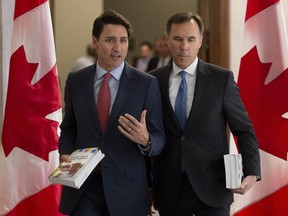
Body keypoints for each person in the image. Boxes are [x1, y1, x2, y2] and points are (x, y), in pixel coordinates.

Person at [149, 12, 261, 216]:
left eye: (191, 39)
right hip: (170, 189)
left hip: (213, 187)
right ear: (167, 40)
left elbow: (244, 129)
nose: (184, 46)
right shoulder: (151, 81)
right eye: (177, 39)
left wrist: (252, 171)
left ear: (200, 40)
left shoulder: (221, 79)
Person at [58, 9, 166, 216]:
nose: (118, 48)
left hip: (127, 190)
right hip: (84, 187)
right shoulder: (76, 81)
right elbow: (69, 127)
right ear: (95, 41)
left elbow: (159, 137)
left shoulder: (146, 84)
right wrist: (65, 151)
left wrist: (146, 141)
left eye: (123, 41)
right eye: (110, 40)